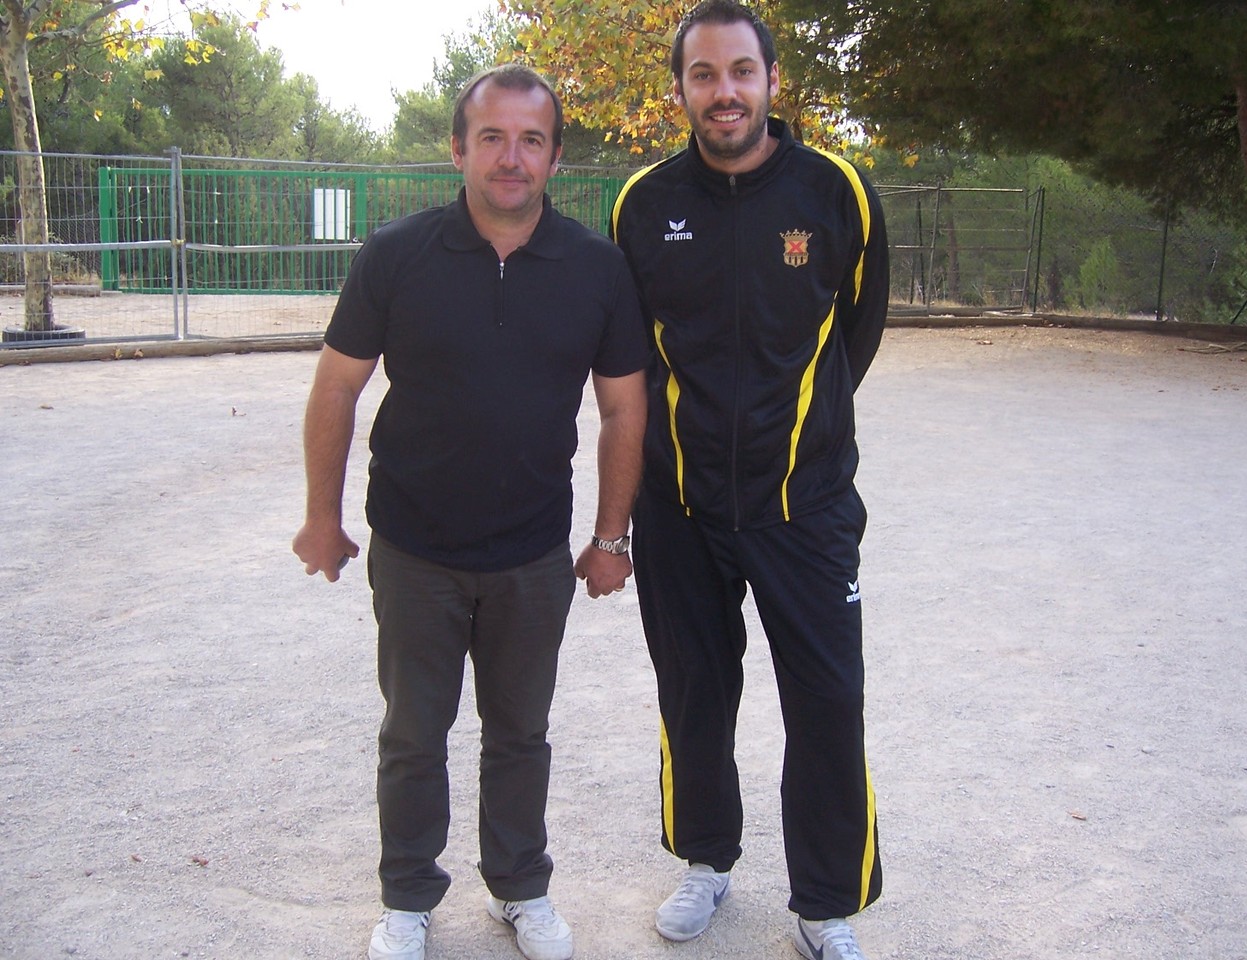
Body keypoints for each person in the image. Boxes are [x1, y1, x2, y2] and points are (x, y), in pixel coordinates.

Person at [292, 64, 648, 960]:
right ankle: (408, 897)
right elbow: (336, 387)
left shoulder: (598, 269)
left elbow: (623, 409)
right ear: (458, 149)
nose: (510, 158)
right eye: (492, 137)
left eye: (531, 140)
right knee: (414, 735)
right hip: (415, 550)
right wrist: (321, 517)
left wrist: (610, 538)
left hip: (532, 555)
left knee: (520, 735)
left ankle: (520, 887)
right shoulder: (395, 255)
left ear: (556, 158)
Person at [609, 2, 890, 958]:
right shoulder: (642, 204)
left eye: (740, 72)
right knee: (694, 692)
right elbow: (631, 356)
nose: (723, 91)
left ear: (771, 80)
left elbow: (855, 335)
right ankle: (706, 859)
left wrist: (799, 435)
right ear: (681, 89)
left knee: (828, 701)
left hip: (805, 509)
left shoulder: (837, 192)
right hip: (680, 509)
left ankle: (826, 905)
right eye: (704, 74)